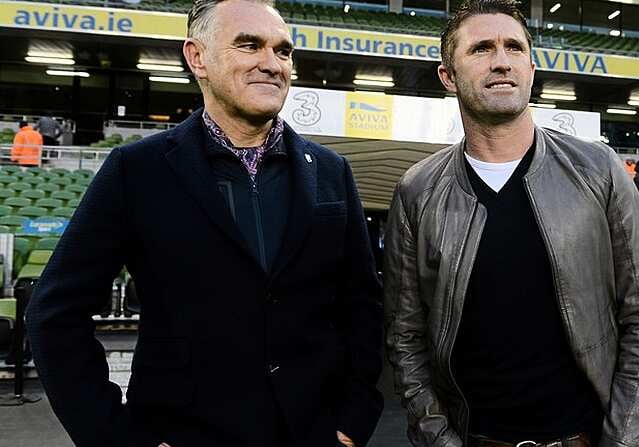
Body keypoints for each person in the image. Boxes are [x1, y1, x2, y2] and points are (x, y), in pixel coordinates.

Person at [26, 1, 383, 446]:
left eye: (283, 51)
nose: (271, 64)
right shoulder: (137, 169)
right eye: (248, 45)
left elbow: (362, 307)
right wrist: (117, 437)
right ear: (198, 58)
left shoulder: (331, 170)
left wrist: (352, 423)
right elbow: (55, 313)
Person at [384, 2, 639, 446]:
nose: (501, 60)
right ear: (448, 76)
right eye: (481, 49)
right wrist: (438, 438)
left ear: (531, 68)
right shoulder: (417, 191)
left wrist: (625, 440)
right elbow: (406, 337)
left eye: (513, 47)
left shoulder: (599, 170)